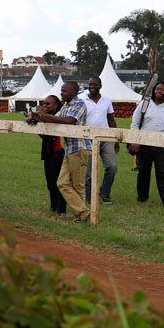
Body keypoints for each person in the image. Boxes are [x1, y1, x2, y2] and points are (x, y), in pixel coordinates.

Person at [28, 81, 92, 223]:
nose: (61, 93)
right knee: (62, 183)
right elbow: (54, 120)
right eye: (61, 91)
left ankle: (82, 215)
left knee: (77, 185)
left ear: (73, 92)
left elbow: (68, 121)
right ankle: (82, 213)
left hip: (80, 148)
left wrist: (42, 115)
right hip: (69, 149)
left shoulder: (79, 104)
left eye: (64, 91)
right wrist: (36, 118)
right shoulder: (66, 106)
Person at [129, 82, 164, 208]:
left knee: (163, 174)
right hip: (144, 145)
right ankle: (142, 199)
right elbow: (135, 124)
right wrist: (135, 142)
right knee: (143, 173)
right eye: (157, 89)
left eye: (162, 90)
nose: (158, 91)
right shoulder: (144, 104)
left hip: (162, 147)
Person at [81, 76, 119, 205]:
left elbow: (111, 120)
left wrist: (116, 139)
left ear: (100, 86)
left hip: (105, 137)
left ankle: (104, 193)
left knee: (112, 166)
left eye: (95, 84)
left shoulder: (106, 100)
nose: (92, 86)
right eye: (90, 84)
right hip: (88, 138)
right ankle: (89, 198)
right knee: (88, 173)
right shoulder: (81, 99)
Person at [38, 95, 67, 216]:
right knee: (50, 183)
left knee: (58, 183)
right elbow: (45, 136)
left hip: (57, 154)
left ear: (55, 105)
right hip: (48, 153)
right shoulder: (45, 117)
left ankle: (61, 210)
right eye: (44, 103)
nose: (45, 106)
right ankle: (53, 206)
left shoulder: (57, 117)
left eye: (48, 104)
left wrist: (40, 118)